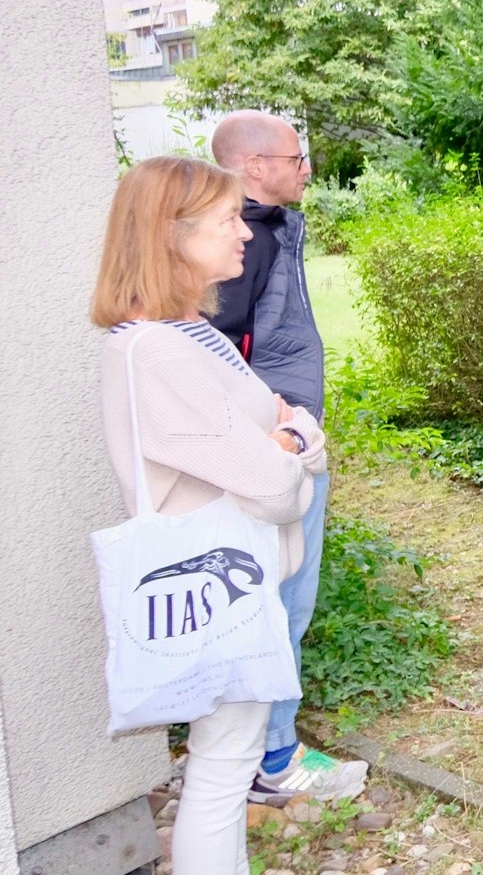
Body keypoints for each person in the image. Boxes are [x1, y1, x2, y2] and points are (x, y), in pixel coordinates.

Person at [93, 156, 326, 874]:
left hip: (237, 587)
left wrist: (288, 442)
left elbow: (282, 448)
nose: (245, 235)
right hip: (222, 594)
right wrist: (295, 440)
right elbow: (277, 482)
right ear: (171, 235)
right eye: (227, 220)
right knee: (223, 772)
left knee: (224, 764)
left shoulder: (189, 335)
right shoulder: (157, 351)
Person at [206, 110, 355, 801]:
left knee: (276, 600)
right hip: (278, 451)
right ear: (254, 166)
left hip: (283, 440)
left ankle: (257, 751)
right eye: (297, 159)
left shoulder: (258, 230)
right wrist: (283, 433)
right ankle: (271, 762)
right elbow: (221, 353)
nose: (306, 170)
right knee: (282, 602)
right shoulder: (245, 241)